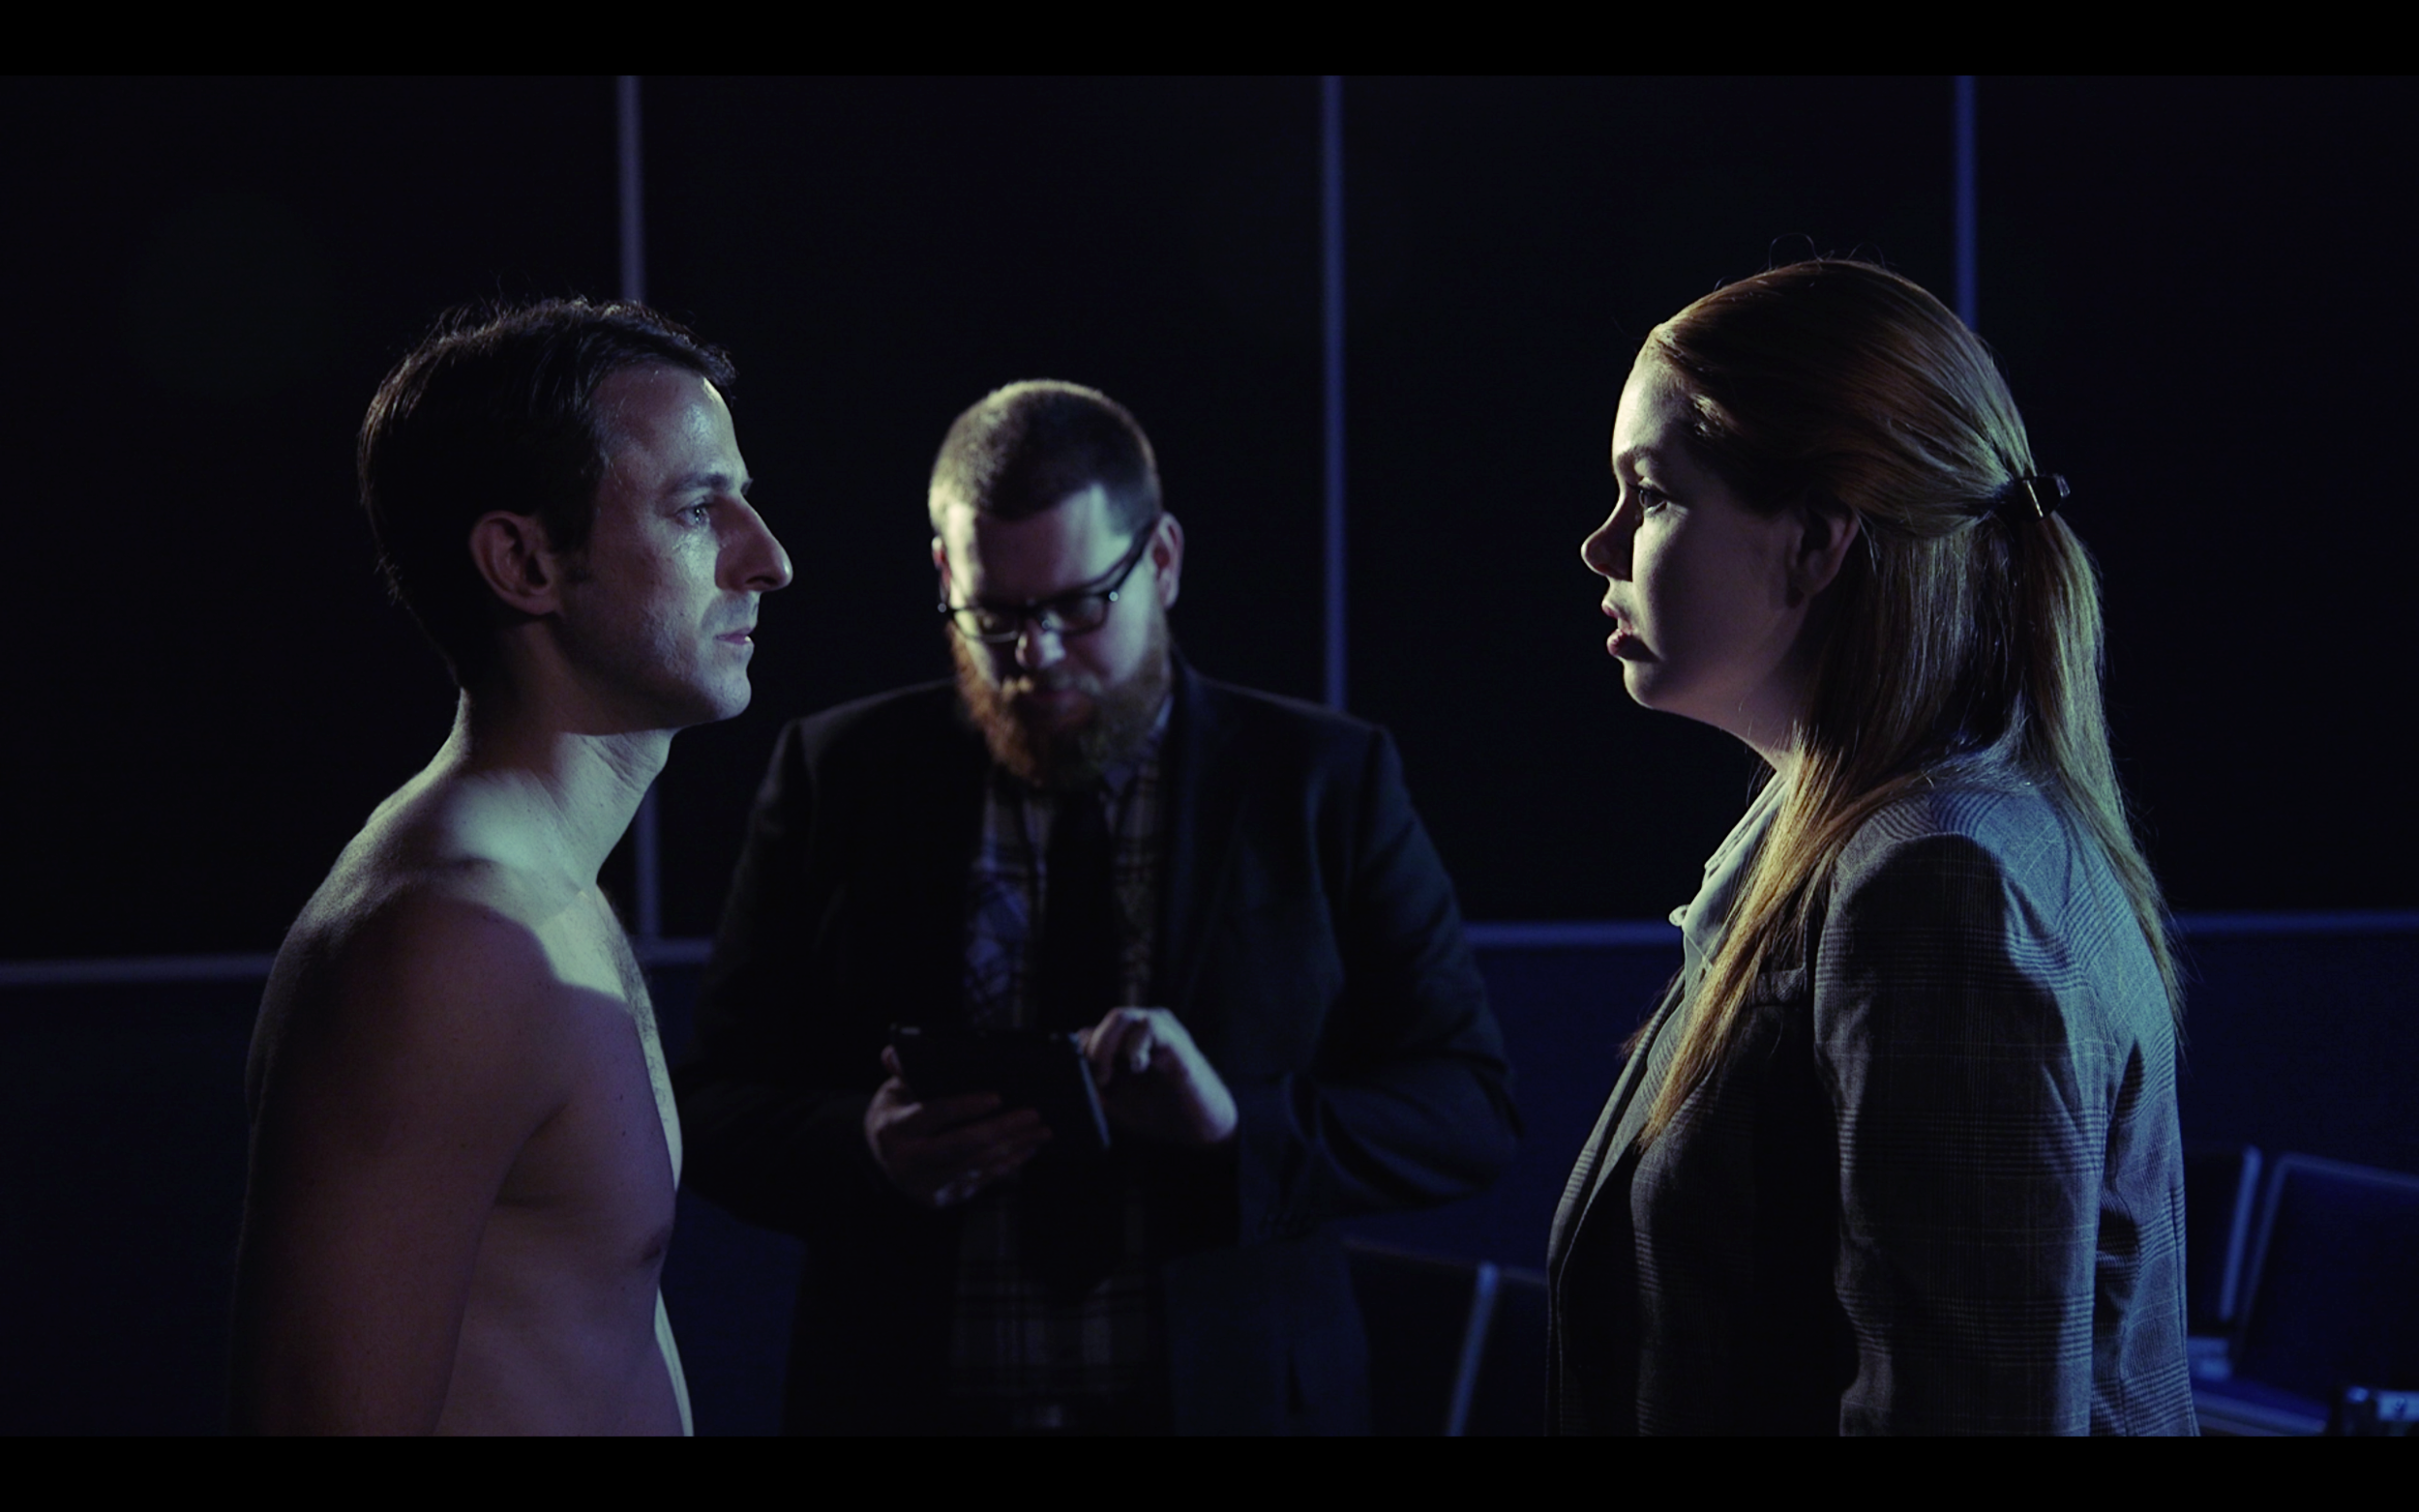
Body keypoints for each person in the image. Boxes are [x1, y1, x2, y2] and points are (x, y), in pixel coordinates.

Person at [676, 379, 1517, 1435]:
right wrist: (868, 1147)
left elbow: (1467, 1110)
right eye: (994, 615)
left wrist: (1238, 1129)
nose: (1034, 655)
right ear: (944, 573)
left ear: (1160, 561)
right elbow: (708, 1107)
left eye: (1079, 606)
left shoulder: (1321, 782)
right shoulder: (839, 775)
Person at [1550, 260, 2195, 1435]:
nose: (1601, 546)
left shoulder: (1936, 886)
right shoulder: (1886, 844)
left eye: (1651, 497)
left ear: (1812, 540)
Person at [230, 300, 792, 1434]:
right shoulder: (452, 946)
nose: (768, 560)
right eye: (698, 509)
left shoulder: (538, 892)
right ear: (525, 562)